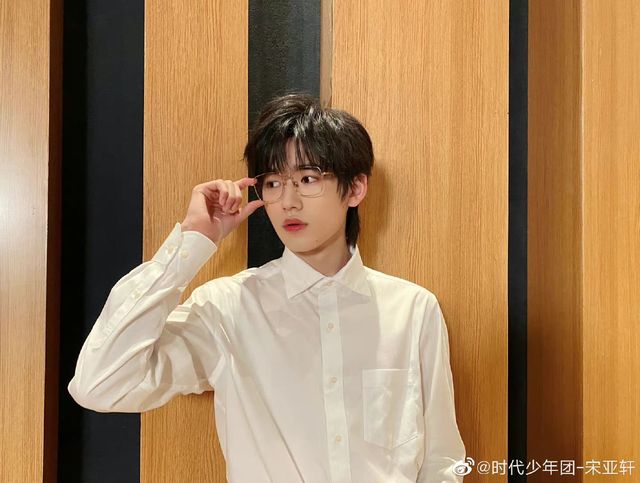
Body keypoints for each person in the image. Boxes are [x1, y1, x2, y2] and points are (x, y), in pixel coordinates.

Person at [68, 92, 466, 482]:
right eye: (273, 183)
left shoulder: (413, 309)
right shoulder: (228, 308)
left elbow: (441, 460)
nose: (288, 201)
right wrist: (191, 242)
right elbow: (99, 386)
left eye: (307, 179)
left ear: (355, 188)